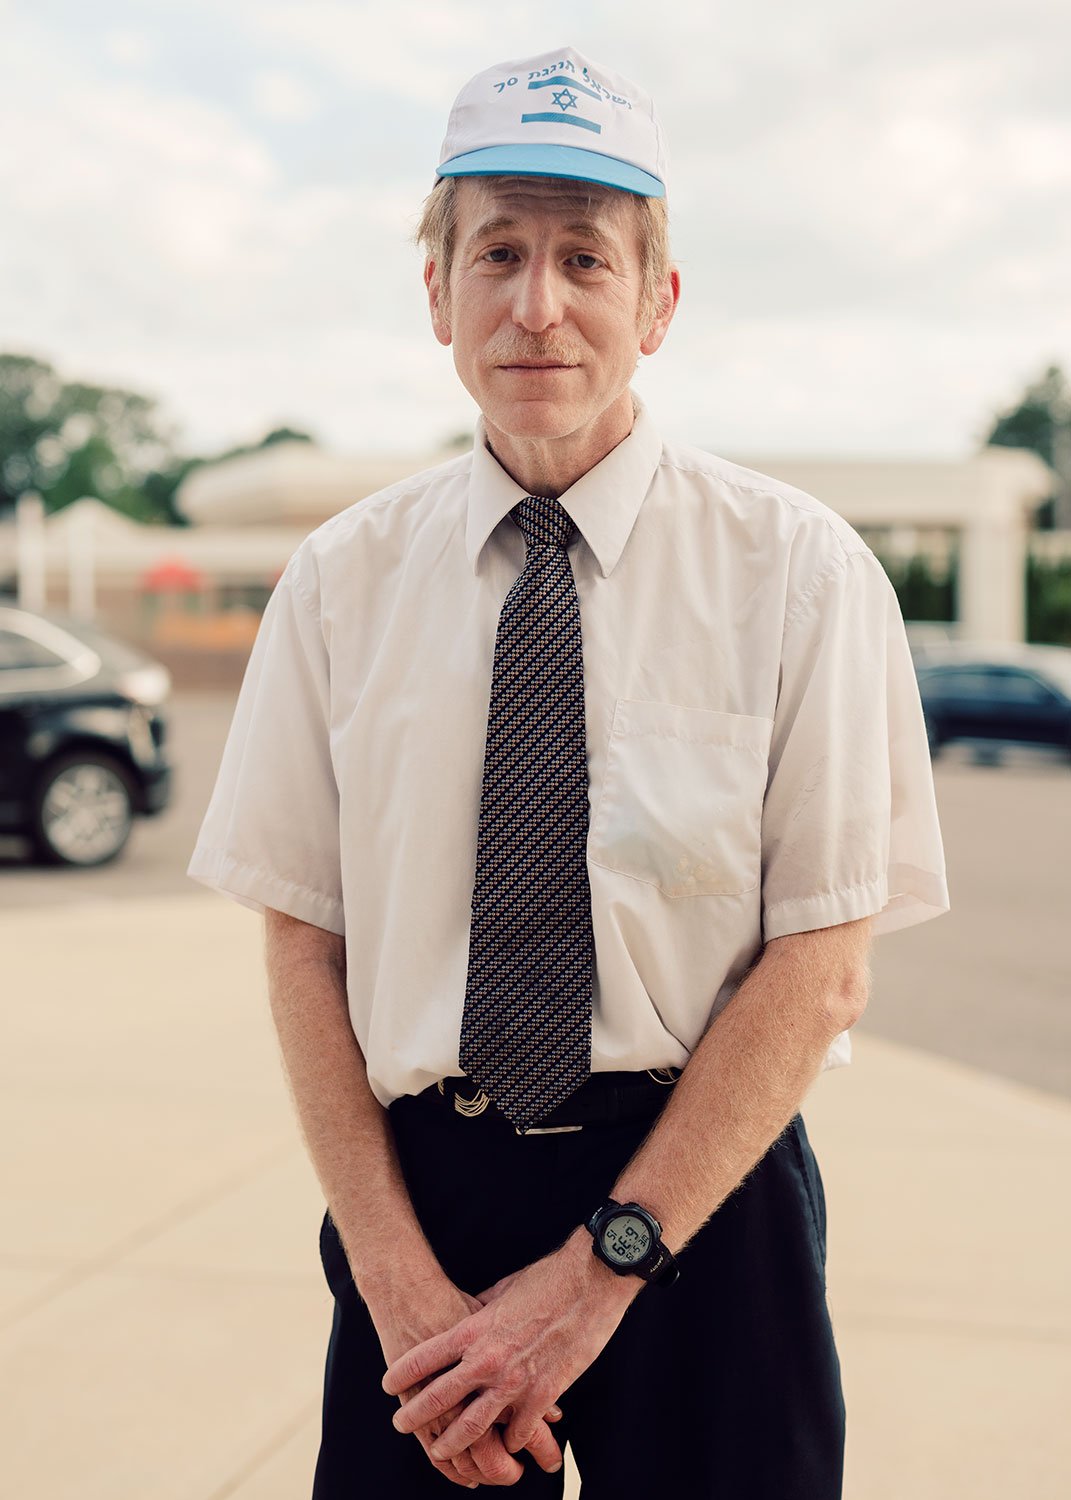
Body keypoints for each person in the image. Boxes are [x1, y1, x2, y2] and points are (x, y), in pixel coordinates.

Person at [187, 44, 950, 1497]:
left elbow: (823, 965)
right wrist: (400, 1285)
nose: (539, 304)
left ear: (657, 303)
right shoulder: (340, 585)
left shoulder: (799, 576)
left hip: (703, 1205)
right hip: (426, 1203)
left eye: (587, 259)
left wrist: (600, 1276)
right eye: (500, 253)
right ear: (439, 297)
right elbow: (303, 942)